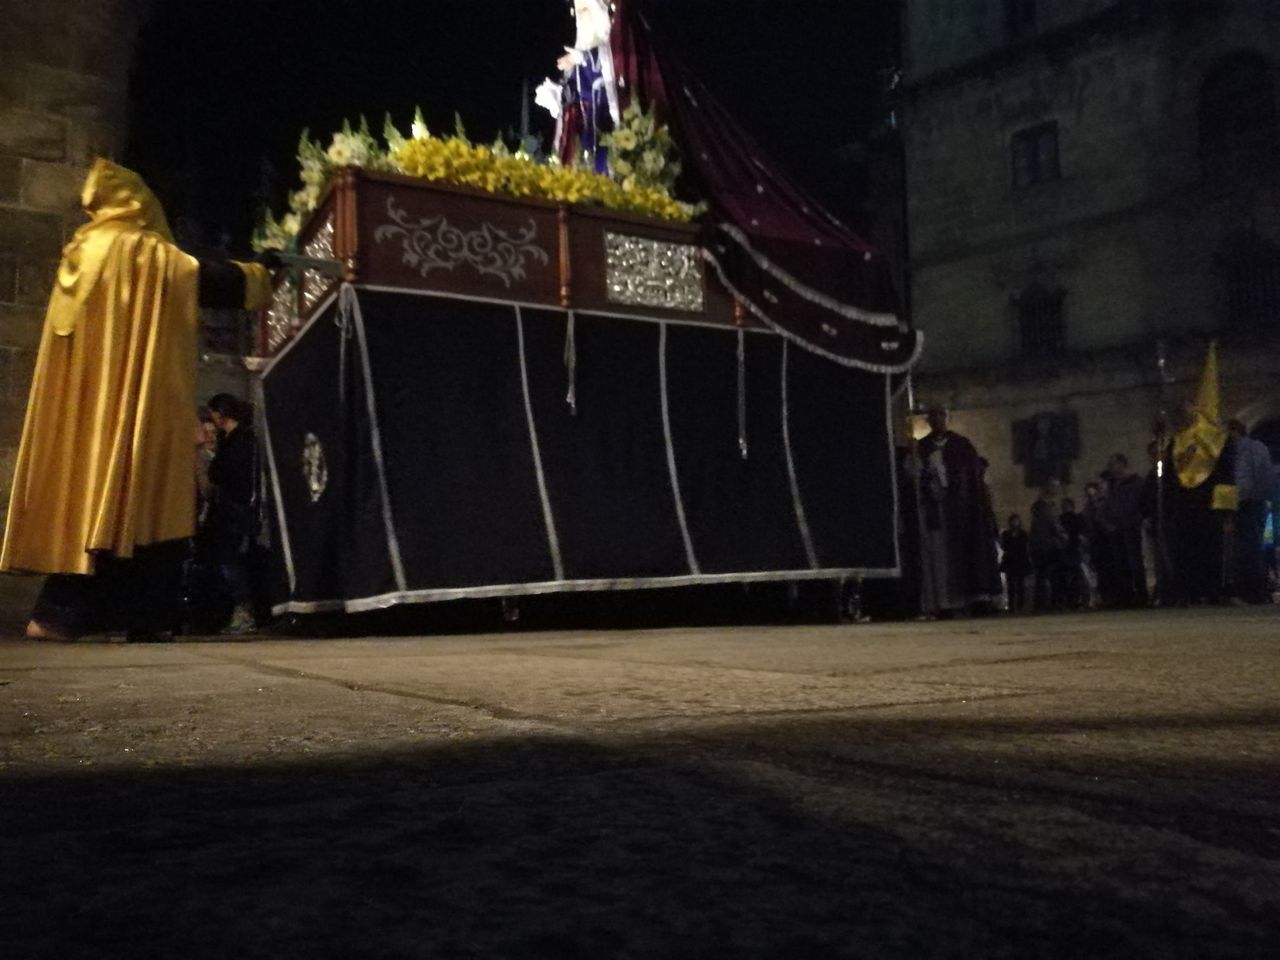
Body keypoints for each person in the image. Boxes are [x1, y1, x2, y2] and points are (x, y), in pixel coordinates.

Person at [0, 159, 273, 641]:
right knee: (146, 503)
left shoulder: (83, 248)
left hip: (89, 413)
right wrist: (261, 272)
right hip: (135, 409)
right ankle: (136, 619)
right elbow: (209, 280)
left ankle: (59, 616)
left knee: (89, 504)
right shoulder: (140, 251)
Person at [915, 408, 1001, 615]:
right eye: (933, 417)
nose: (937, 420)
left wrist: (949, 480)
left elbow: (970, 477)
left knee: (968, 551)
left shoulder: (962, 445)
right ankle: (944, 604)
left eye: (940, 416)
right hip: (936, 513)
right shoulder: (922, 446)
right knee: (939, 557)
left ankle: (975, 599)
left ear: (947, 419)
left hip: (962, 512)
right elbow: (918, 476)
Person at [536, 0, 621, 173]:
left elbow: (607, 75)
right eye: (578, 11)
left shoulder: (612, 53)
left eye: (585, 9)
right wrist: (557, 95)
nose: (580, 17)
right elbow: (574, 91)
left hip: (606, 126)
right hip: (585, 131)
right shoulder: (580, 52)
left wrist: (583, 59)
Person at [206, 394, 259, 634]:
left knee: (230, 560)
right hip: (234, 508)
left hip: (234, 510)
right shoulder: (241, 439)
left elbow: (221, 474)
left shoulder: (238, 442)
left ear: (220, 413)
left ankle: (244, 610)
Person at [1227, 419, 1275, 604]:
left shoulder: (1254, 448)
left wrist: (1263, 497)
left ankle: (1257, 589)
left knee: (1253, 547)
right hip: (1239, 503)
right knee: (1243, 549)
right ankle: (1249, 589)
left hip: (1252, 501)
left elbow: (1263, 474)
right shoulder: (1233, 452)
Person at [1103, 453, 1149, 607]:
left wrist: (1135, 519)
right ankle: (1126, 595)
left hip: (1130, 526)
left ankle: (1141, 595)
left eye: (1114, 464)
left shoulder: (1135, 483)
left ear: (1122, 464)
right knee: (1120, 563)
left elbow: (1140, 504)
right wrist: (1108, 521)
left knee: (1134, 561)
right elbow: (1108, 505)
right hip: (1116, 528)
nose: (1112, 468)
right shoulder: (1112, 485)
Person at [1030, 495, 1066, 611]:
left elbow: (1033, 539)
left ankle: (1041, 603)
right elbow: (1057, 532)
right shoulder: (1049, 518)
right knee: (1053, 578)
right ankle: (1055, 602)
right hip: (1049, 551)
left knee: (1041, 579)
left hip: (1040, 552)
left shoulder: (1036, 521)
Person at [1059, 497, 1090, 608]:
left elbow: (1080, 533)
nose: (1064, 507)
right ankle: (1072, 599)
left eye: (1066, 505)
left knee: (1078, 574)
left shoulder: (1076, 518)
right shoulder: (1062, 518)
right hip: (1066, 549)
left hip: (1074, 549)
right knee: (1072, 575)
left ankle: (1081, 598)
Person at [999, 514, 1033, 614]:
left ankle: (1020, 605)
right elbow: (1004, 545)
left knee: (1020, 585)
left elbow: (1025, 545)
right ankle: (1011, 606)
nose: (1015, 523)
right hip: (1010, 561)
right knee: (1011, 585)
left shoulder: (1023, 533)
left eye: (1016, 521)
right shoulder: (1006, 534)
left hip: (1020, 560)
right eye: (1013, 521)